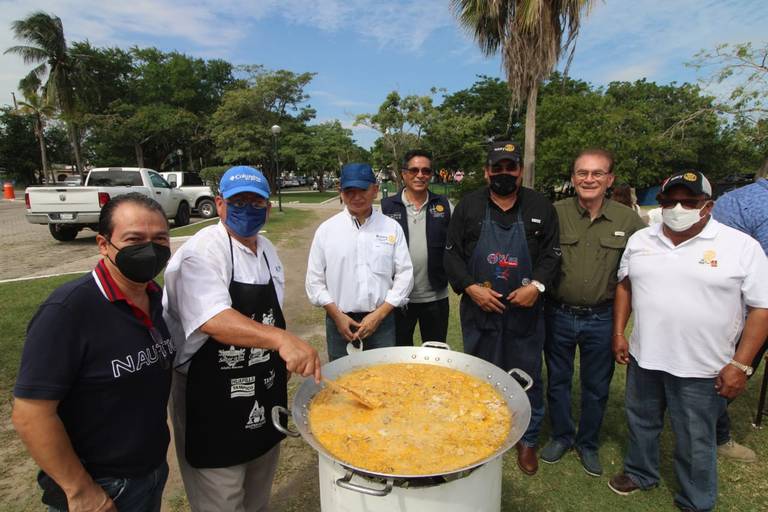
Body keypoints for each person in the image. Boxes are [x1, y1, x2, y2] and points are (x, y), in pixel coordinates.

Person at [163, 166, 321, 512]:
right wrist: (282, 340)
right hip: (211, 393)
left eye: (256, 202)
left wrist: (278, 353)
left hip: (261, 387)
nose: (247, 209)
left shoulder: (267, 251)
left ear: (267, 207)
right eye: (238, 201)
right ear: (219, 204)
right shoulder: (201, 252)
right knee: (222, 496)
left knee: (258, 487)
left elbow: (267, 316)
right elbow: (213, 319)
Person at [608, 171, 768, 512]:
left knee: (696, 437)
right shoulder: (642, 240)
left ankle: (696, 499)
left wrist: (741, 363)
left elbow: (761, 308)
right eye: (669, 201)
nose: (677, 208)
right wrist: (620, 332)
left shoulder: (740, 246)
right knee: (641, 421)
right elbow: (625, 285)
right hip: (645, 357)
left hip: (703, 366)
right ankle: (640, 472)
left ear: (707, 206)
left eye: (688, 202)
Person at [12, 192, 175, 512]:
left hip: (150, 473)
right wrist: (80, 490)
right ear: (103, 244)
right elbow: (30, 414)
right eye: (134, 239)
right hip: (101, 486)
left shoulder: (156, 298)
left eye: (160, 238)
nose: (150, 249)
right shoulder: (69, 310)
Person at [444, 141, 560, 476]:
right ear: (487, 172)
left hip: (525, 310)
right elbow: (450, 254)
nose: (504, 174)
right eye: (498, 168)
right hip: (481, 308)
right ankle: (484, 432)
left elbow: (552, 253)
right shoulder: (468, 206)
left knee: (527, 375)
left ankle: (527, 439)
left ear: (520, 171)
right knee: (481, 373)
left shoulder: (540, 206)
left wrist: (536, 286)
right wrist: (470, 287)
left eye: (511, 168)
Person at [540, 149, 646, 477]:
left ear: (609, 179)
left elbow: (640, 269)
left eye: (597, 173)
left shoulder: (628, 221)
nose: (589, 179)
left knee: (596, 385)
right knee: (557, 380)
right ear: (573, 178)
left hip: (601, 317)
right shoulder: (553, 213)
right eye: (582, 173)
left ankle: (587, 442)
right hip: (558, 313)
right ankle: (561, 435)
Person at [306, 162, 413, 361]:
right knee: (342, 381)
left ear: (375, 190)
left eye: (362, 190)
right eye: (349, 191)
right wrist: (337, 315)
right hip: (340, 321)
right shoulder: (327, 231)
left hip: (381, 321)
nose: (356, 197)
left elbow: (405, 275)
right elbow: (314, 281)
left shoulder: (391, 228)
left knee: (382, 380)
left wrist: (380, 314)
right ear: (341, 192)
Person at [711, 175, 768, 462]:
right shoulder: (753, 203)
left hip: (736, 306)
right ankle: (713, 433)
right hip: (747, 312)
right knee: (732, 373)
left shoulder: (732, 198)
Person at [381, 149, 452, 346]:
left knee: (436, 355)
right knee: (399, 358)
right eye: (413, 170)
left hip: (436, 297)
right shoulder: (386, 208)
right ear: (403, 174)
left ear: (431, 174)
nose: (420, 175)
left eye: (426, 171)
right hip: (397, 299)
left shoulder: (444, 206)